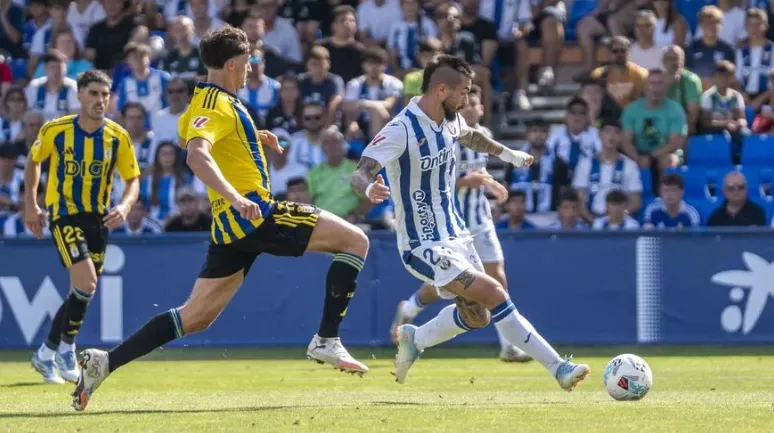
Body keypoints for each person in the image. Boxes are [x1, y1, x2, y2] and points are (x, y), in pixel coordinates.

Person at [72, 27, 371, 412]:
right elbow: (197, 155)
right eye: (248, 62)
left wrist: (251, 136)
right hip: (253, 214)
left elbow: (193, 136)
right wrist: (236, 196)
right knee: (356, 242)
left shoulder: (206, 101)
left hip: (230, 227)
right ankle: (327, 339)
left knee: (195, 317)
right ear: (232, 64)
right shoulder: (216, 105)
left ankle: (105, 363)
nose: (251, 69)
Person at [350, 54, 589, 388]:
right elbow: (360, 172)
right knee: (494, 291)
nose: (467, 99)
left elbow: (472, 136)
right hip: (422, 243)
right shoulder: (401, 129)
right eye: (463, 92)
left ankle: (415, 338)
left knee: (477, 315)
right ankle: (559, 367)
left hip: (457, 235)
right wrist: (368, 187)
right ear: (441, 90)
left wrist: (509, 155)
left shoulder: (449, 119)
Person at [388, 86, 531, 363]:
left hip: (480, 220)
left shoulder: (484, 136)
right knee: (451, 284)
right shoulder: (446, 137)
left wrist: (491, 184)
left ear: (481, 109)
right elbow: (432, 182)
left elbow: (479, 174)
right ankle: (410, 308)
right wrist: (467, 182)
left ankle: (508, 346)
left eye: (473, 105)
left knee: (497, 279)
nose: (469, 110)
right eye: (464, 106)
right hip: (450, 225)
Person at [24, 70, 141, 385]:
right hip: (64, 215)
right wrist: (31, 204)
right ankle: (66, 349)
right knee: (87, 282)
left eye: (105, 94)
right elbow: (34, 160)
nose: (100, 100)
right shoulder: (56, 130)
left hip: (99, 220)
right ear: (79, 95)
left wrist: (125, 206)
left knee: (82, 289)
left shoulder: (117, 136)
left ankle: (47, 352)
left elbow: (133, 179)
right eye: (93, 93)